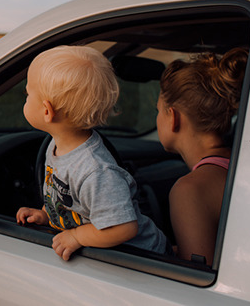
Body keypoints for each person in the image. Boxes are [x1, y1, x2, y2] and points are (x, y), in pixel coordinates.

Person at [16, 45, 170, 261]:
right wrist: (45, 214)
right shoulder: (58, 144)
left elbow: (124, 228)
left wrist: (77, 236)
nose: (25, 96)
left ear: (46, 111)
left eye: (28, 93)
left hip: (148, 259)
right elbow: (64, 196)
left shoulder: (95, 170)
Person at [157, 47, 248, 265]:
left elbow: (198, 276)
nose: (157, 118)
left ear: (173, 117)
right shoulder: (239, 164)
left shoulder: (190, 190)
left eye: (157, 110)